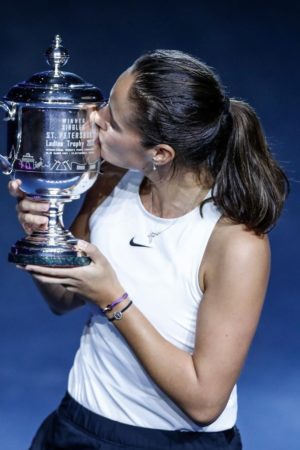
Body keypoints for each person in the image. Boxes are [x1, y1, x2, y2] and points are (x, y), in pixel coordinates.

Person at [9, 50, 288, 450]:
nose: (95, 118)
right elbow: (63, 298)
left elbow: (204, 402)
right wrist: (42, 235)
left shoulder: (236, 243)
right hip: (75, 427)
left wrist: (113, 299)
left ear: (160, 153)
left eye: (114, 121)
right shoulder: (110, 179)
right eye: (106, 102)